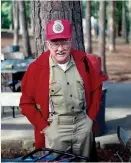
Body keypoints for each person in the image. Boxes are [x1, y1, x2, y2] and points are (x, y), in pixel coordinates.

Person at [19, 19, 102, 160]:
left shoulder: (83, 61)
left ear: (71, 41)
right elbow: (25, 104)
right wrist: (46, 129)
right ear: (48, 44)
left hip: (83, 124)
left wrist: (90, 119)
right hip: (55, 128)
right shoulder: (36, 68)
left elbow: (97, 89)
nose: (60, 48)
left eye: (64, 42)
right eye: (55, 44)